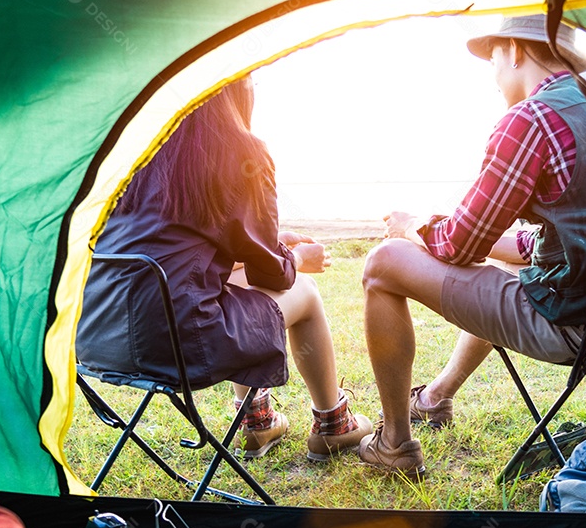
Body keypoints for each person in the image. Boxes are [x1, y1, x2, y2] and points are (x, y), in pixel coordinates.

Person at [358, 15, 586, 478]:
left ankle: (395, 444)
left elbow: (457, 245)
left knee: (383, 264)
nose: (494, 75)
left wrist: (413, 226)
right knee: (500, 270)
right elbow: (582, 234)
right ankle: (436, 398)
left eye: (494, 59)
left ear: (515, 50)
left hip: (577, 323)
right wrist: (478, 241)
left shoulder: (533, 119)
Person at [77, 78, 371, 461]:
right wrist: (298, 259)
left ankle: (258, 422)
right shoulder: (240, 150)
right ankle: (334, 425)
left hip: (98, 336)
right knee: (306, 293)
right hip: (175, 346)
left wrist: (273, 242)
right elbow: (273, 276)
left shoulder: (140, 153)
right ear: (238, 91)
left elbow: (178, 248)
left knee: (230, 282)